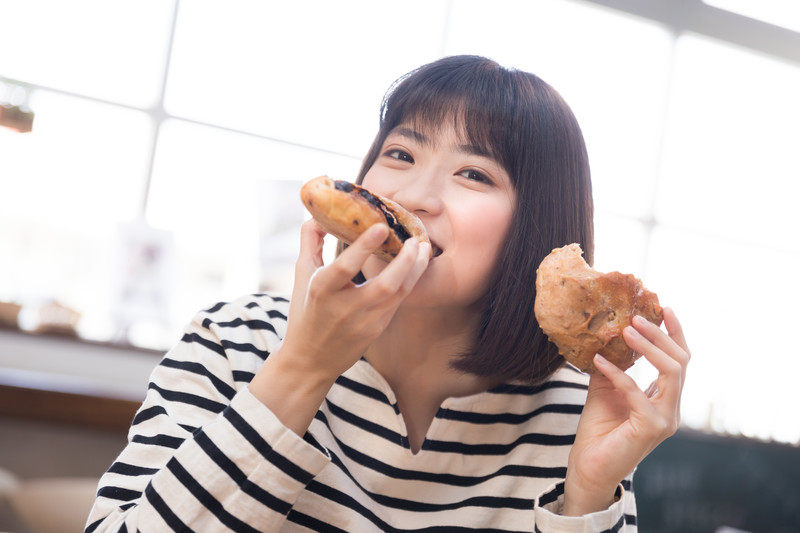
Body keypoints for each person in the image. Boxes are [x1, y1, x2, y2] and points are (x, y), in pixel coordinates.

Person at [85, 55, 690, 532]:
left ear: (537, 227)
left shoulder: (571, 413)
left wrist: (586, 495)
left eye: (473, 174)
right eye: (400, 154)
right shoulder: (233, 342)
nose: (417, 195)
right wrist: (299, 371)